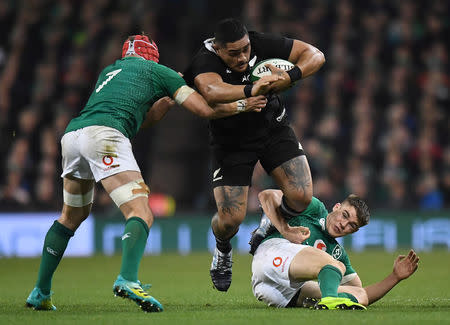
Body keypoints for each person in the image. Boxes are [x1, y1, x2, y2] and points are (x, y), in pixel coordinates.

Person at [25, 33, 280, 313]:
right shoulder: (160, 72)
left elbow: (142, 120)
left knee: (70, 216)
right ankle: (128, 279)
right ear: (153, 57)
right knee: (140, 212)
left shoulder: (110, 71)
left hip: (73, 137)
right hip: (106, 137)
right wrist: (243, 103)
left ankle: (41, 291)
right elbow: (204, 109)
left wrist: (167, 99)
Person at [183, 17, 325, 292]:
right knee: (230, 220)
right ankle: (223, 249)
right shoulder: (204, 61)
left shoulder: (260, 41)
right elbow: (211, 91)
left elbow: (315, 55)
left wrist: (290, 75)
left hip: (273, 128)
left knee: (302, 196)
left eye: (246, 49)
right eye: (234, 53)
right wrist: (250, 91)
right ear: (218, 48)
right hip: (231, 142)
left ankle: (268, 224)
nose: (243, 57)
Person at [249, 189, 419, 310]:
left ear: (354, 231)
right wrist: (285, 229)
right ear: (336, 206)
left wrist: (395, 277)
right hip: (270, 257)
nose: (343, 224)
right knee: (336, 265)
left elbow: (362, 293)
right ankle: (329, 300)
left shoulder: (337, 253)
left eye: (352, 225)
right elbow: (267, 195)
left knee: (359, 296)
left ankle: (326, 302)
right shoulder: (314, 209)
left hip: (281, 293)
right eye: (345, 215)